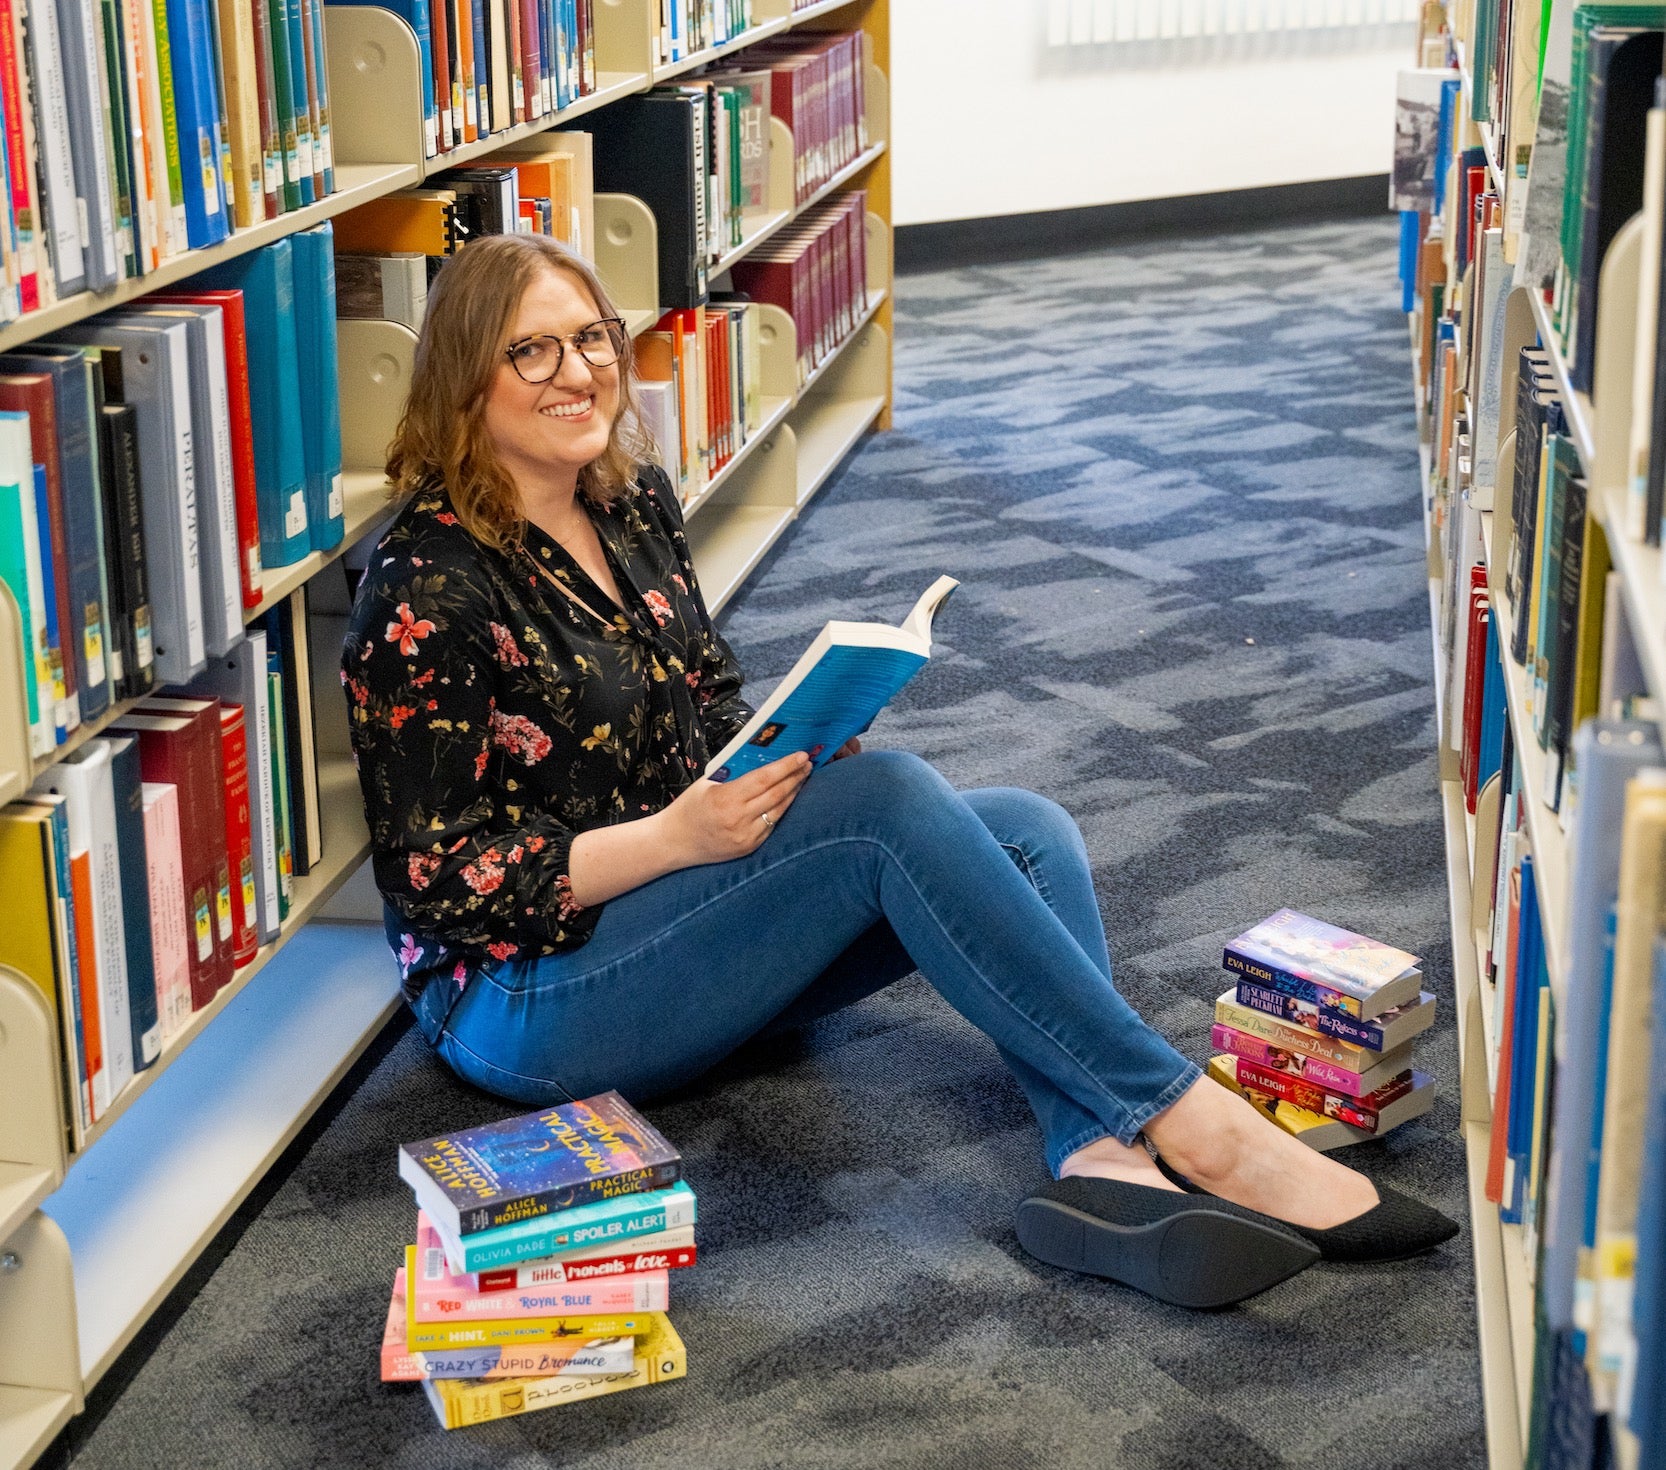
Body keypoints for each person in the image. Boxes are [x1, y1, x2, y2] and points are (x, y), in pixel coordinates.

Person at [341, 234, 1456, 1310]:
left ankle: (1101, 1165)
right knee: (886, 812)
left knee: (1025, 828)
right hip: (522, 1000)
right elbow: (440, 881)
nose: (577, 372)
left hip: (673, 913)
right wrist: (676, 840)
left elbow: (703, 694)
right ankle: (1198, 1127)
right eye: (532, 351)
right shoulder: (425, 587)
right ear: (462, 382)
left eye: (591, 339)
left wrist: (795, 739)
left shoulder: (625, 501)